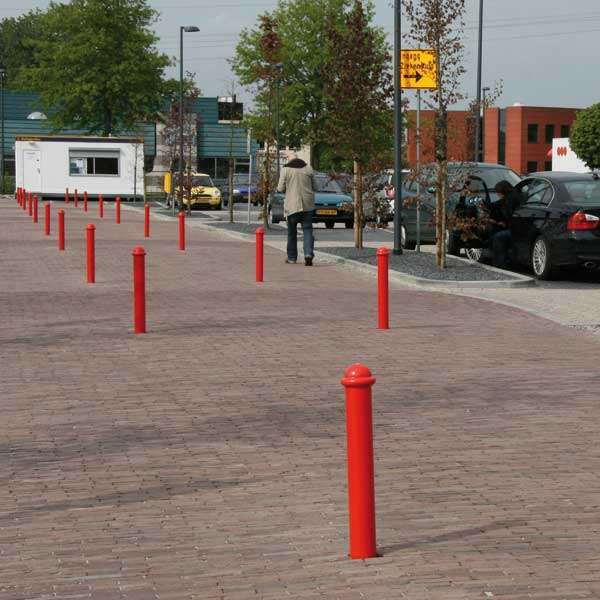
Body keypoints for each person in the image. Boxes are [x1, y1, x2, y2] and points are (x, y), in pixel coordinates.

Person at [277, 157, 319, 266]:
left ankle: (292, 258)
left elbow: (280, 188)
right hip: (307, 205)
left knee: (292, 232)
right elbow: (316, 187)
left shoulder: (285, 170)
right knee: (308, 230)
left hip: (292, 206)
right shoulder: (308, 169)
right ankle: (308, 254)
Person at [488, 180, 521, 269]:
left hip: (516, 229)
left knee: (498, 237)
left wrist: (502, 223)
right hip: (515, 226)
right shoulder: (511, 196)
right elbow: (497, 204)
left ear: (503, 191)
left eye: (498, 192)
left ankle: (500, 264)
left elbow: (510, 215)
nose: (497, 195)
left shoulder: (511, 200)